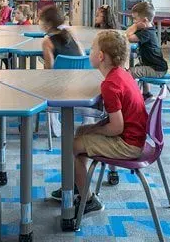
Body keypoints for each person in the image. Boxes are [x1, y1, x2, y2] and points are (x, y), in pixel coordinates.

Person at [55, 30, 147, 215]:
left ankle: (88, 200)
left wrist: (96, 129)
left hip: (128, 144)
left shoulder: (110, 85)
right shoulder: (121, 74)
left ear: (100, 56)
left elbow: (116, 127)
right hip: (134, 136)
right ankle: (77, 185)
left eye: (92, 49)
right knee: (81, 132)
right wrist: (92, 128)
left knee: (71, 145)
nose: (89, 51)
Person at [40, 6, 84, 137]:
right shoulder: (71, 34)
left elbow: (49, 69)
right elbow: (82, 53)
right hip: (81, 81)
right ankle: (88, 119)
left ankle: (54, 122)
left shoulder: (47, 42)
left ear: (48, 24)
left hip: (60, 87)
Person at [126, 2, 168, 99]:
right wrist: (137, 25)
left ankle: (132, 98)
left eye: (135, 19)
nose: (134, 22)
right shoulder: (147, 30)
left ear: (144, 20)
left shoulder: (147, 33)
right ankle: (147, 94)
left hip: (156, 69)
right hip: (153, 66)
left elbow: (128, 37)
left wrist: (135, 26)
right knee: (139, 66)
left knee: (129, 73)